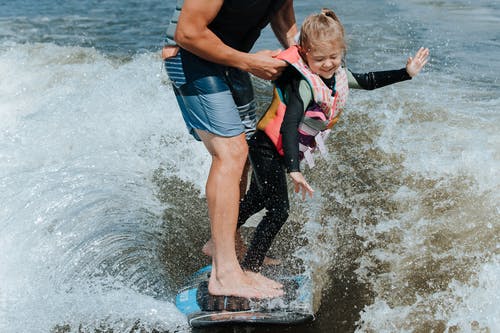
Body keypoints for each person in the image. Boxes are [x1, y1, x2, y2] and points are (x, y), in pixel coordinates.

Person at [236, 8, 429, 274]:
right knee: (279, 211)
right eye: (320, 59)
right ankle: (250, 269)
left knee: (257, 200)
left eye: (334, 57)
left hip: (279, 153)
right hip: (267, 148)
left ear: (341, 52)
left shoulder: (338, 75)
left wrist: (405, 73)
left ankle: (221, 241)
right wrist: (294, 169)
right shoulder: (303, 84)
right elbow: (289, 125)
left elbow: (369, 80)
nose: (328, 64)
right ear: (304, 53)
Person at [162, 0, 298, 301]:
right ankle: (224, 274)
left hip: (231, 57)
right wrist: (250, 62)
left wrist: (303, 61)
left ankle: (226, 246)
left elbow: (281, 10)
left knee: (245, 147)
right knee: (231, 152)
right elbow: (188, 32)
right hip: (190, 55)